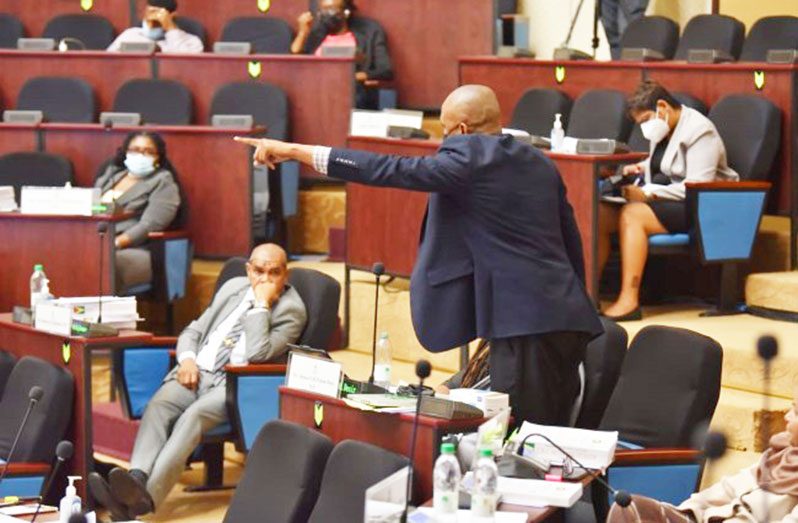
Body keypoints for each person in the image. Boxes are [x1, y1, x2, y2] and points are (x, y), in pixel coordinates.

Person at [236, 84, 603, 428]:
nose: (443, 141)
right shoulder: (537, 160)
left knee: (519, 437)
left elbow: (389, 169)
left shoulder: (468, 157)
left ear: (460, 130)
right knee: (549, 431)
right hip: (565, 314)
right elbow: (569, 237)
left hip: (525, 325)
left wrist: (295, 151)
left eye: (444, 132)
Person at [87, 243, 307, 520]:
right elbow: (194, 329)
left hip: (234, 383)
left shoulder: (291, 310)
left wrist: (261, 306)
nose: (264, 279)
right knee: (160, 404)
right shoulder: (233, 289)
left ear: (285, 275)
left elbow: (258, 353)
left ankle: (145, 499)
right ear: (248, 270)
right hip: (198, 370)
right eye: (259, 271)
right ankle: (136, 478)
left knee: (193, 416)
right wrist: (188, 359)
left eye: (274, 273)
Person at [598, 80, 738, 321]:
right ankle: (589, 293)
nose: (644, 129)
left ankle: (629, 300)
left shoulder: (700, 130)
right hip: (668, 201)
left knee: (633, 214)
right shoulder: (665, 128)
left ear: (662, 106)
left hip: (701, 206)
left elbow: (697, 184)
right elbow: (666, 165)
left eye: (645, 121)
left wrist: (649, 193)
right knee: (599, 213)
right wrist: (636, 168)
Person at [608, 396, 798, 522]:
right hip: (706, 518)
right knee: (629, 508)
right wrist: (685, 512)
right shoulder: (780, 453)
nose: (787, 416)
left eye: (796, 411)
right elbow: (725, 490)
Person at [95, 131, 182, 293]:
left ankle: (95, 316)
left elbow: (150, 225)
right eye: (135, 150)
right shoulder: (112, 175)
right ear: (126, 152)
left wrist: (114, 244)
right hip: (96, 241)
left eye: (148, 151)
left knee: (100, 260)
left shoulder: (163, 181)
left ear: (158, 157)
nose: (141, 155)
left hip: (137, 248)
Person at [290, 0, 393, 109]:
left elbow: (385, 70)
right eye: (322, 10)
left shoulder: (369, 31)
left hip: (351, 92)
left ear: (346, 11)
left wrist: (353, 77)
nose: (327, 14)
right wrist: (303, 32)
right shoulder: (317, 34)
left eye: (332, 9)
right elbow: (296, 60)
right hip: (317, 90)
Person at [107, 0, 203, 53]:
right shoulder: (130, 35)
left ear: (172, 16)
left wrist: (170, 28)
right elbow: (109, 61)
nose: (152, 18)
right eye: (149, 13)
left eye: (158, 15)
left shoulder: (191, 42)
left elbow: (188, 65)